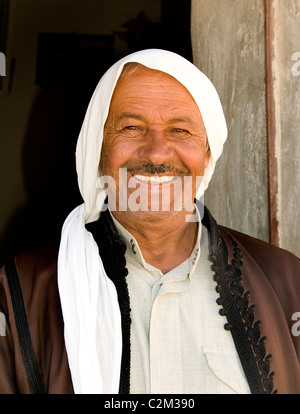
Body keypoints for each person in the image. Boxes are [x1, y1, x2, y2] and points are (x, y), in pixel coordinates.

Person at [0, 49, 300, 395]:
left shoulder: (285, 280)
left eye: (180, 129)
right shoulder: (23, 289)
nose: (157, 153)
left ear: (208, 152)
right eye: (131, 127)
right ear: (98, 149)